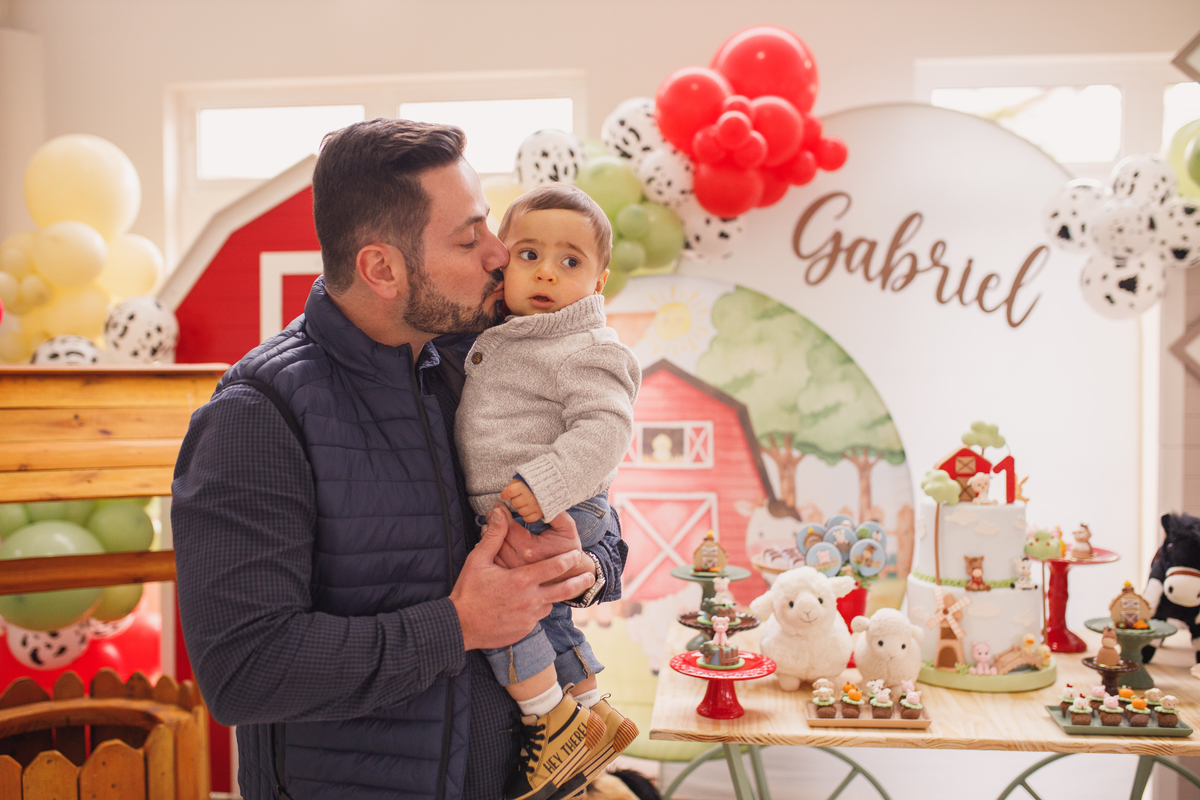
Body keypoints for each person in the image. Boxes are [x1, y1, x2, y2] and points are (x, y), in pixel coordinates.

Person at [171, 119, 628, 800]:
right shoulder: (257, 418)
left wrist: (582, 567)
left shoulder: (480, 359)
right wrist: (458, 624)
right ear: (381, 268)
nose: (501, 254)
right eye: (470, 237)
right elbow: (244, 672)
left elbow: (607, 524)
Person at [455, 185, 640, 800]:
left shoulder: (587, 345)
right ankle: (590, 710)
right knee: (545, 611)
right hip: (526, 502)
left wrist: (548, 482)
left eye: (570, 262)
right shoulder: (514, 332)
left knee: (504, 608)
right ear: (503, 261)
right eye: (529, 254)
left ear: (598, 282)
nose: (545, 273)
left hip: (553, 501)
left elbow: (607, 427)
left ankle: (551, 722)